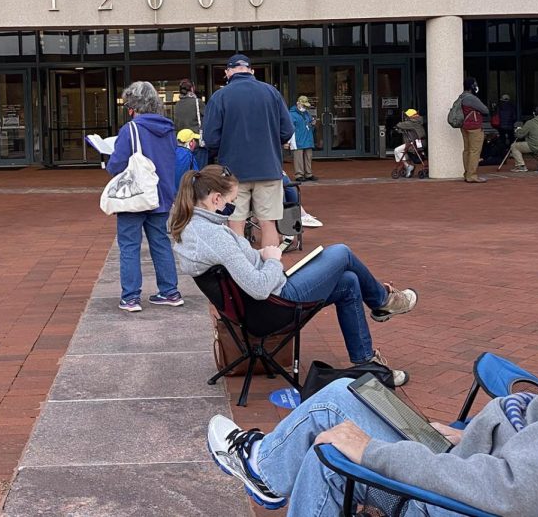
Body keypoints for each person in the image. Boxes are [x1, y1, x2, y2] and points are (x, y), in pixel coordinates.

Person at [208, 191, 538, 515]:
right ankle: (265, 465)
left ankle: (264, 467)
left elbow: (517, 488)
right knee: (342, 396)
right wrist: (471, 433)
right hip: (480, 456)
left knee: (330, 450)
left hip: (465, 498)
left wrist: (373, 452)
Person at [169, 165, 417, 387]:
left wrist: (263, 257)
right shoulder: (213, 236)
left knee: (349, 282)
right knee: (341, 253)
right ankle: (383, 302)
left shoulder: (196, 228)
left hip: (261, 304)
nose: (232, 209)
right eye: (231, 202)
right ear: (215, 198)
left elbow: (244, 271)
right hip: (272, 305)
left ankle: (368, 364)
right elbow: (258, 288)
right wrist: (273, 260)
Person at [202, 54, 294, 249]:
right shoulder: (272, 93)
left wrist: (223, 149)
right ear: (251, 71)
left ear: (228, 73)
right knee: (268, 224)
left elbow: (210, 138)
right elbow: (287, 130)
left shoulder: (220, 97)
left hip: (232, 171)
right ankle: (272, 272)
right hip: (268, 167)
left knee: (236, 223)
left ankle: (241, 274)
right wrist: (271, 144)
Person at [106, 81, 182, 313]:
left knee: (129, 245)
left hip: (135, 196)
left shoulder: (131, 129)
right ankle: (170, 291)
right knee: (160, 242)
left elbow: (116, 164)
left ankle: (130, 297)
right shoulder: (169, 129)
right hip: (161, 194)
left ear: (133, 107)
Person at [458, 77, 490, 183]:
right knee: (474, 151)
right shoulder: (471, 98)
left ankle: (467, 173)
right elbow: (485, 110)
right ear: (472, 86)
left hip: (464, 127)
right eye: (475, 84)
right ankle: (472, 175)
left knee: (467, 150)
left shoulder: (461, 97)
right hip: (474, 127)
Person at [173, 79, 208, 169]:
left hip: (182, 143)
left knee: (186, 173)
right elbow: (208, 119)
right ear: (192, 89)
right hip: (196, 142)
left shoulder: (177, 105)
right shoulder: (198, 102)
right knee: (200, 173)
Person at [288, 96, 317, 182]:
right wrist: (288, 141)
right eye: (303, 105)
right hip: (298, 139)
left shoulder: (306, 113)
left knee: (308, 157)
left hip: (307, 138)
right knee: (298, 158)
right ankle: (299, 175)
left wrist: (312, 123)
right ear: (298, 103)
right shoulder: (291, 114)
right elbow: (289, 127)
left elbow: (309, 124)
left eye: (305, 105)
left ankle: (308, 174)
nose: (305, 107)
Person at [393, 108, 426, 179]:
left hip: (413, 144)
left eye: (407, 116)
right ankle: (407, 165)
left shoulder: (412, 122)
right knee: (403, 152)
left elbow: (399, 125)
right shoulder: (418, 121)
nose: (406, 117)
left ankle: (408, 166)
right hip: (420, 143)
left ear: (410, 116)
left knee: (397, 150)